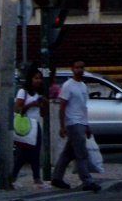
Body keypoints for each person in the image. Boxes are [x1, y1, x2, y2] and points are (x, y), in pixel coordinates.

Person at [51, 60, 101, 193]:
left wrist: (87, 125)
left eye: (81, 68)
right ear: (72, 69)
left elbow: (83, 108)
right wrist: (62, 126)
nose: (79, 70)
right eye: (77, 68)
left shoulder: (83, 86)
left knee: (68, 153)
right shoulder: (68, 85)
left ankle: (56, 177)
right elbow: (62, 107)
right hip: (73, 123)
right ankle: (87, 180)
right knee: (81, 153)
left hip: (81, 122)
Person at [10, 66, 45, 190]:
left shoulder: (38, 94)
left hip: (36, 125)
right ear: (30, 79)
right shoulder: (22, 92)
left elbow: (42, 112)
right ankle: (13, 177)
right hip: (26, 126)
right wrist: (32, 104)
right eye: (36, 78)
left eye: (40, 79)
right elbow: (18, 109)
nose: (38, 81)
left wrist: (41, 105)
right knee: (22, 154)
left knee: (35, 153)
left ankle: (37, 178)